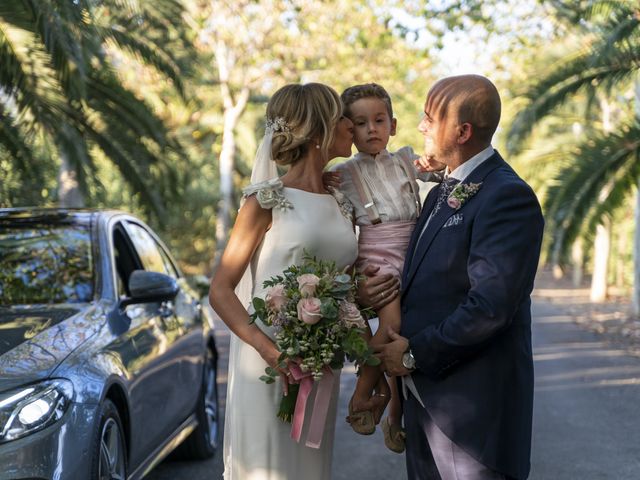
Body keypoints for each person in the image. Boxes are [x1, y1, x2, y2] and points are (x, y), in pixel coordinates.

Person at [372, 75, 544, 480]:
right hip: (425, 405)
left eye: (430, 119)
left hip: (474, 420)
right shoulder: (438, 193)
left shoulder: (507, 196)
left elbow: (490, 307)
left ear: (463, 131)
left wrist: (414, 354)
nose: (421, 127)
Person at [209, 83, 358, 480]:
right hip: (269, 364)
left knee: (309, 468)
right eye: (342, 115)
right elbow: (221, 290)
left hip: (320, 364)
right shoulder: (265, 201)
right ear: (319, 128)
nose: (351, 124)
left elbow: (345, 278)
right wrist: (268, 349)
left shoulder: (341, 201)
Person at [329, 83, 444, 453]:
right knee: (391, 326)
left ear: (393, 125)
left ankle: (396, 417)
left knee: (402, 334)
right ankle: (362, 396)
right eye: (360, 124)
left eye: (379, 120)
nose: (371, 129)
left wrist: (435, 164)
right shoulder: (345, 172)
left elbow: (441, 170)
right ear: (349, 130)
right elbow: (328, 207)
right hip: (378, 258)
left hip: (413, 253)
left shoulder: (407, 161)